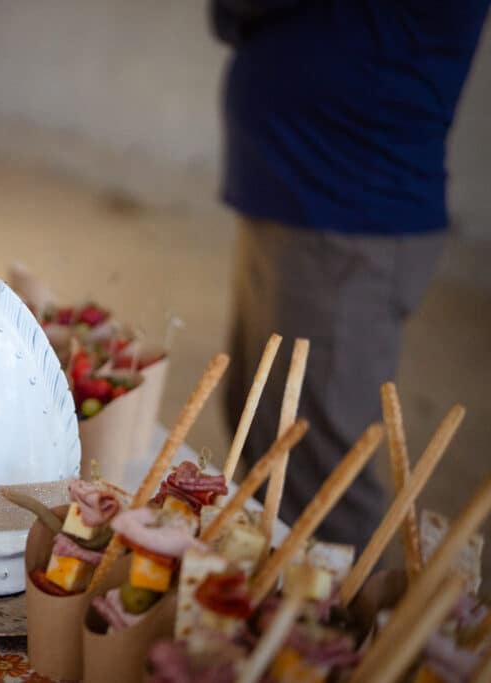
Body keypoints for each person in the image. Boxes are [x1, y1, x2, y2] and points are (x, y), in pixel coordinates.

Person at [214, 1, 490, 551]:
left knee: (320, 489)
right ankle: (255, 593)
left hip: (345, 216)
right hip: (300, 201)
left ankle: (332, 607)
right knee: (263, 440)